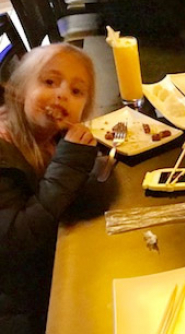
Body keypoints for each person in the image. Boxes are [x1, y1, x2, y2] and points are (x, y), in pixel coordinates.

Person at [0, 44, 98, 334]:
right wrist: (70, 164)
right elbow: (17, 241)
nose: (62, 94)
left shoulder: (50, 139)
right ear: (21, 89)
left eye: (76, 91)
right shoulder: (4, 152)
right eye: (49, 82)